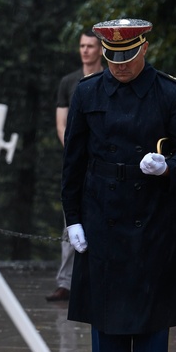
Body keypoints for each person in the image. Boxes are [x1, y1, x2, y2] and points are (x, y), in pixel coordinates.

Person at [61, 18, 176, 352]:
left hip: (155, 219)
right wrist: (73, 219)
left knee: (152, 327)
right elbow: (73, 162)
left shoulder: (171, 93)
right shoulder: (86, 92)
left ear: (143, 49)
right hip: (102, 214)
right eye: (112, 57)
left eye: (127, 57)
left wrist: (168, 167)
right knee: (106, 324)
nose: (119, 65)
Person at [46, 30, 105, 303]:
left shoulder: (109, 80)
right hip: (78, 160)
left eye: (90, 46)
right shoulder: (69, 82)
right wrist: (76, 152)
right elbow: (62, 124)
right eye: (82, 45)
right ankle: (65, 282)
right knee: (71, 219)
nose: (85, 50)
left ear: (101, 49)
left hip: (106, 160)